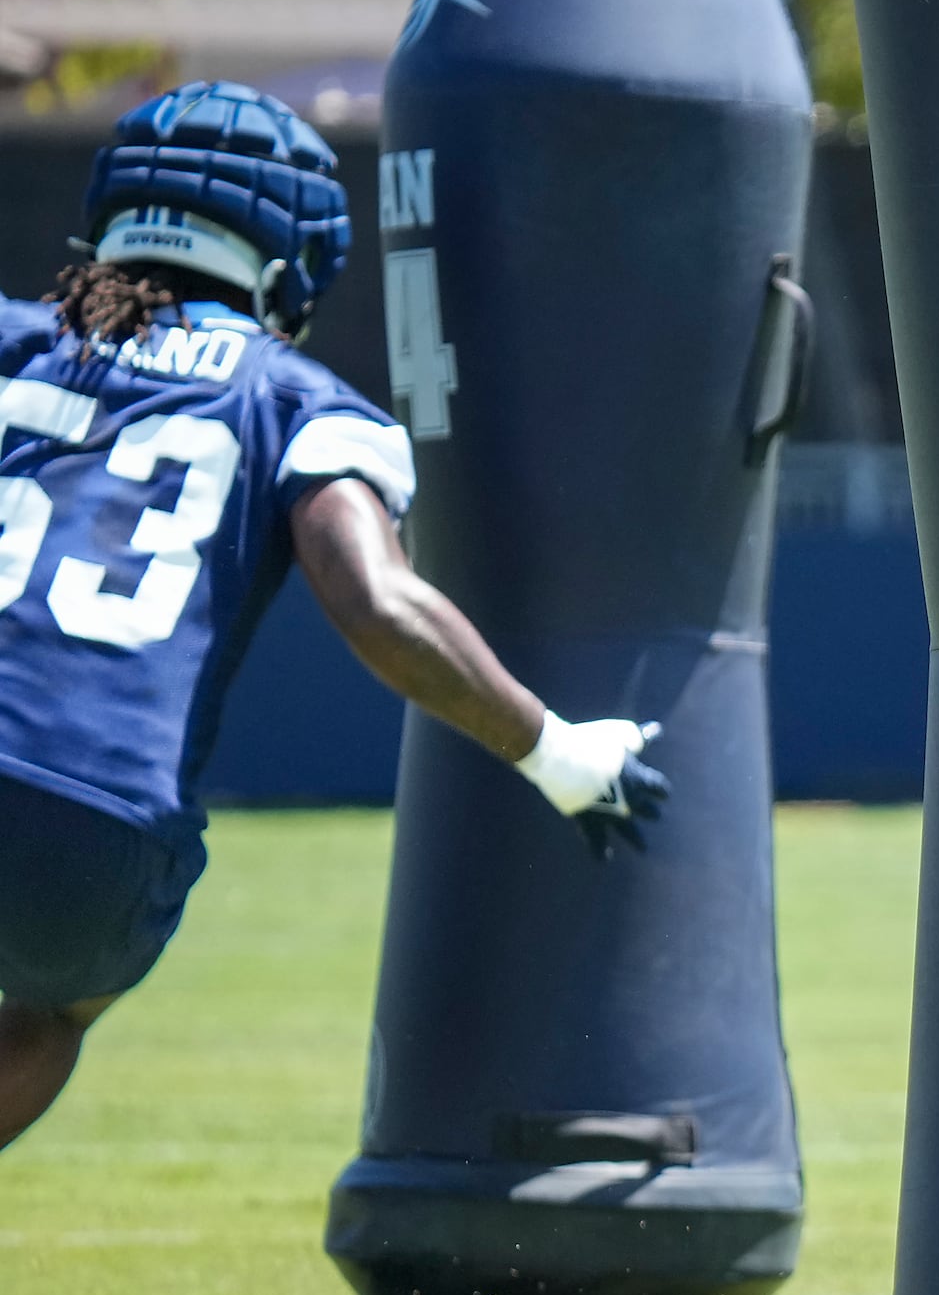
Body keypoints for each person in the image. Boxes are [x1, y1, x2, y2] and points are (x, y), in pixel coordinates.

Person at [0, 82, 667, 1154]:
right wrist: (556, 751)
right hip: (94, 817)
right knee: (48, 1005)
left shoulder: (13, 341)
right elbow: (378, 600)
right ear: (280, 267)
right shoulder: (289, 398)